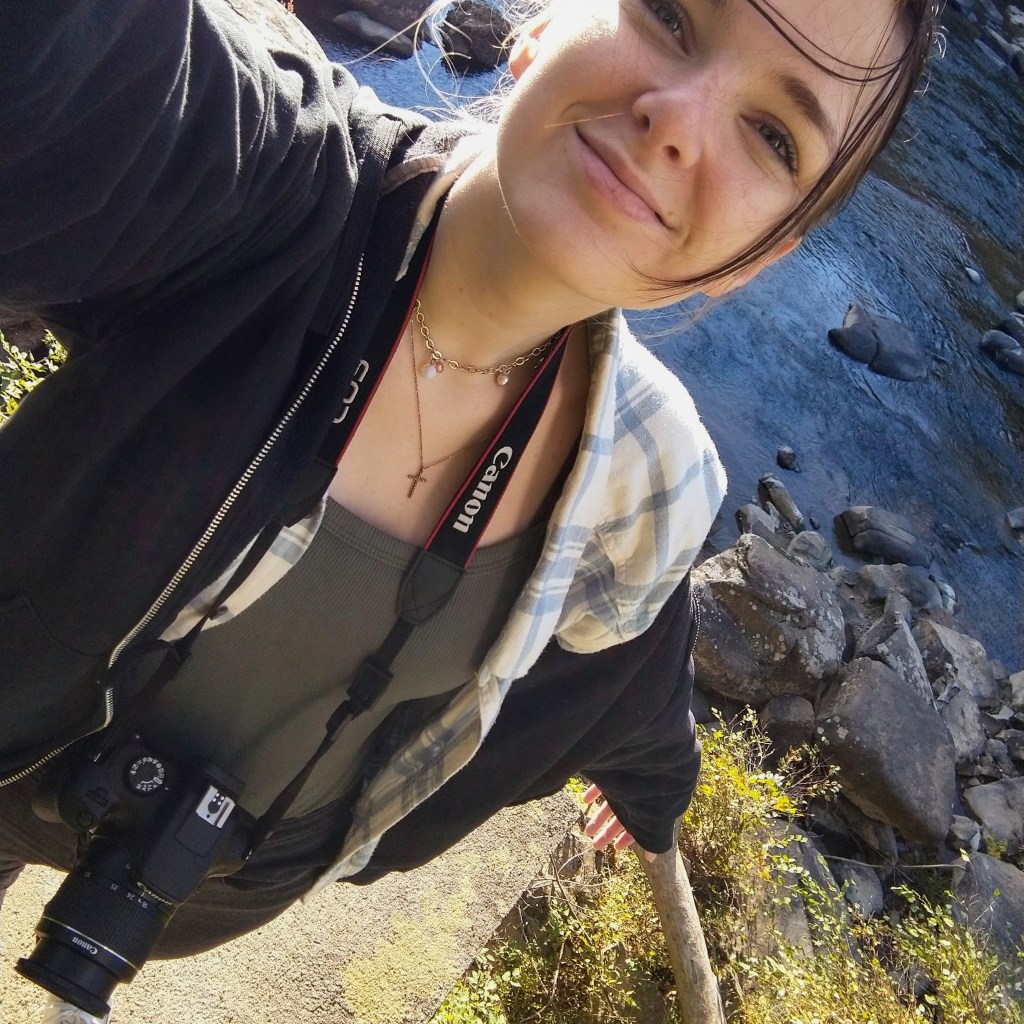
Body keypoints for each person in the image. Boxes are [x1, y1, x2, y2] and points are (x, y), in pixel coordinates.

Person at [0, 0, 937, 1019]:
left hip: (202, 893)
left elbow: (636, 682)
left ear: (759, 251)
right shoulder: (269, 180)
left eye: (772, 135)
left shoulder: (649, 478)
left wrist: (652, 800)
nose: (677, 122)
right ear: (541, 25)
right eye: (669, 15)